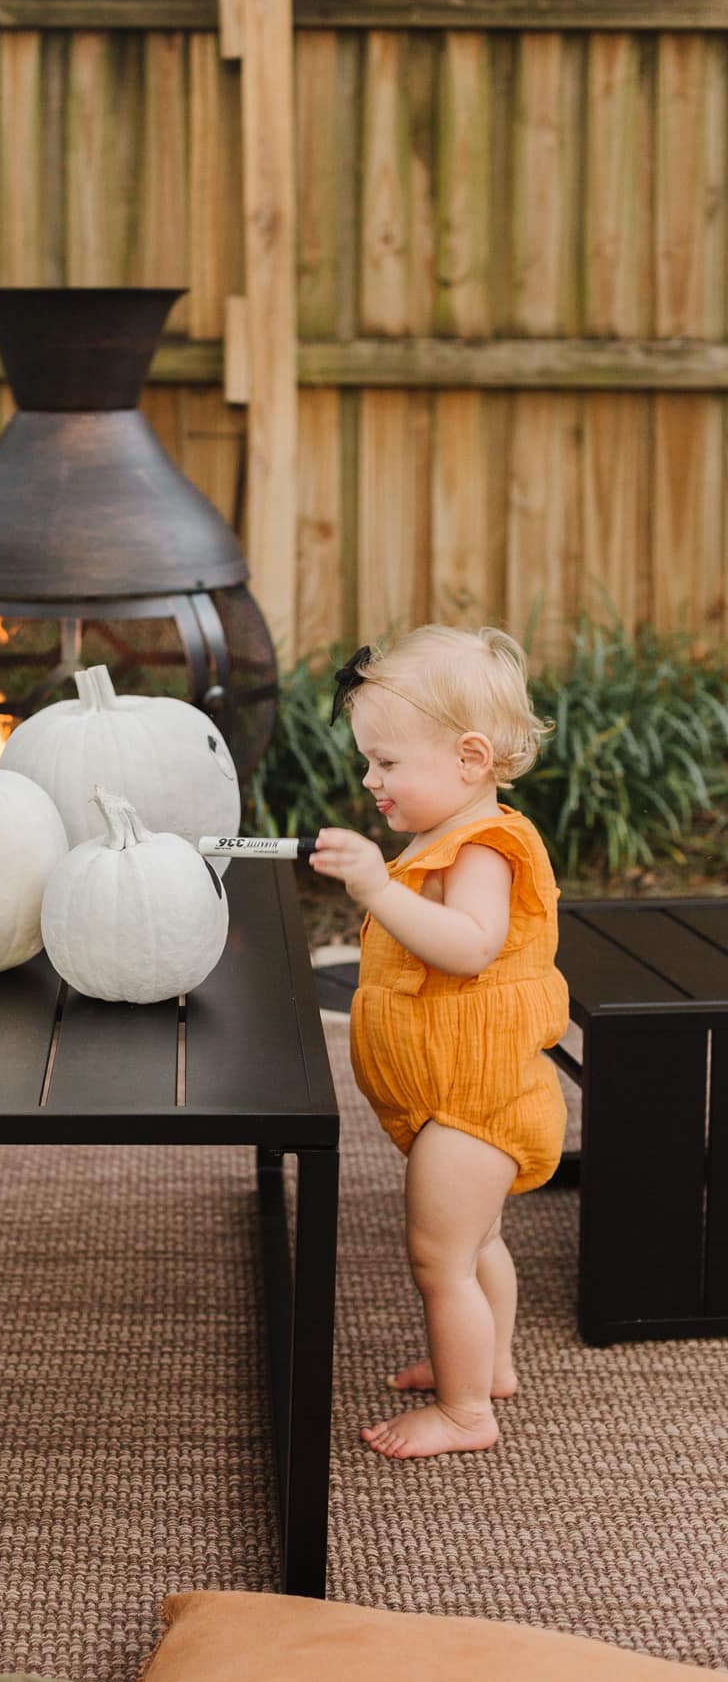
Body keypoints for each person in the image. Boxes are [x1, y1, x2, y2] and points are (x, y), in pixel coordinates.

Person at [309, 625, 570, 1459]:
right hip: (457, 1094)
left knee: (440, 1259)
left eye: (386, 763)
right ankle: (489, 1365)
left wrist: (376, 885)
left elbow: (469, 946)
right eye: (368, 761)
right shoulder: (449, 834)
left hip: (477, 1100)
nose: (368, 778)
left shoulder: (487, 849)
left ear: (468, 758)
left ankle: (466, 1414)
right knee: (477, 1242)